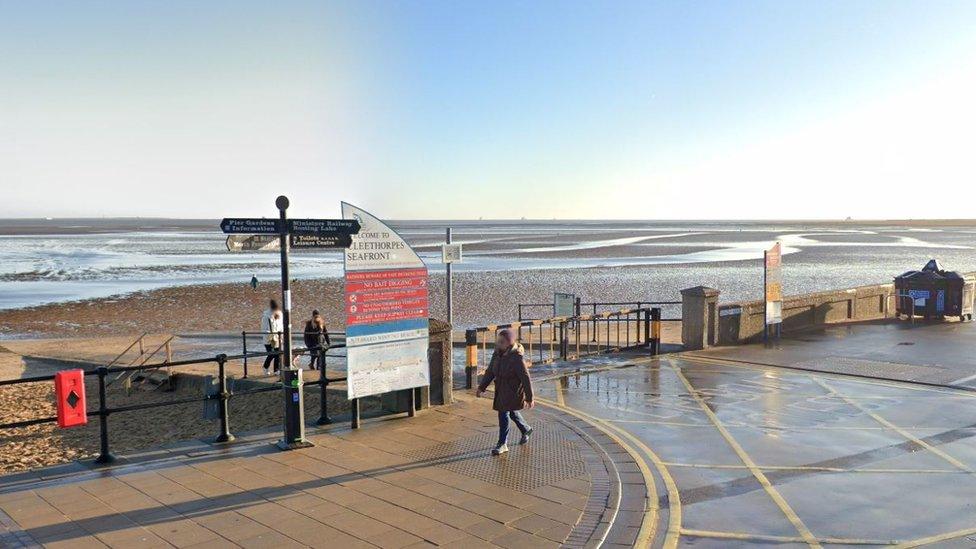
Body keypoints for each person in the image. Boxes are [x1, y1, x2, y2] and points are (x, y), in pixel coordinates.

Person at [476, 328, 534, 455]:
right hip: (501, 390)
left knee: (503, 415)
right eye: (498, 341)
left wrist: (529, 398)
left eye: (501, 342)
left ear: (509, 343)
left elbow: (525, 378)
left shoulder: (517, 359)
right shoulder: (496, 354)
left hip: (513, 392)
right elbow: (490, 371)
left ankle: (502, 444)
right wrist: (482, 387)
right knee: (511, 412)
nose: (498, 344)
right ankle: (526, 429)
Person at [260, 299, 283, 375]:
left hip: (277, 338)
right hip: (269, 339)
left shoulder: (279, 315)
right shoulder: (266, 317)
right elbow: (264, 329)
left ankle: (276, 370)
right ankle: (265, 367)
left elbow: (281, 326)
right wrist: (269, 334)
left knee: (278, 354)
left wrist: (281, 335)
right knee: (272, 354)